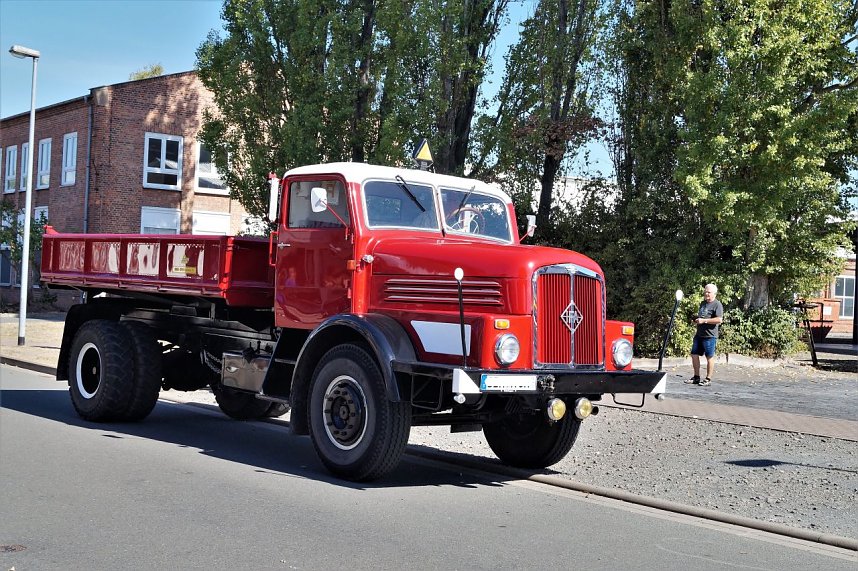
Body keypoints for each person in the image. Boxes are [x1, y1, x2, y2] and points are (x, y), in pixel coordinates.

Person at [685, 283, 724, 387]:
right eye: (705, 291)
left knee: (709, 357)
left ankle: (708, 379)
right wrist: (697, 320)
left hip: (710, 336)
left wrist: (705, 321)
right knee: (694, 355)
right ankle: (696, 377)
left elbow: (719, 320)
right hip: (699, 334)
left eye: (708, 292)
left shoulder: (717, 304)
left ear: (714, 293)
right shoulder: (703, 303)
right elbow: (702, 317)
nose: (706, 293)